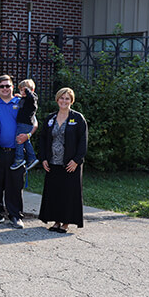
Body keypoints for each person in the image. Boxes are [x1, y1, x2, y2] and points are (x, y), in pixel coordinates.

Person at [0, 74, 35, 229]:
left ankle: (15, 216)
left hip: (17, 152)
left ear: (13, 87)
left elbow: (34, 122)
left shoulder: (21, 101)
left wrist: (28, 135)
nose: (5, 89)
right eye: (2, 86)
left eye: (8, 86)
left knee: (15, 185)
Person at [37, 87, 88, 233]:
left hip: (70, 164)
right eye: (61, 98)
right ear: (57, 99)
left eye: (67, 99)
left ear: (71, 101)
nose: (64, 101)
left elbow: (83, 141)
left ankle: (66, 222)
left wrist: (77, 160)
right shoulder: (51, 118)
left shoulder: (78, 118)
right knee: (55, 192)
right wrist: (43, 158)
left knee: (68, 193)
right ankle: (56, 221)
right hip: (53, 163)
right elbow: (43, 138)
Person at [10, 78, 39, 171]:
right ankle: (32, 158)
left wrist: (27, 90)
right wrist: (21, 95)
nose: (23, 92)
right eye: (21, 90)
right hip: (23, 123)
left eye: (24, 90)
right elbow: (25, 99)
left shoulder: (32, 99)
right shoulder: (26, 99)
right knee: (26, 141)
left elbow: (31, 97)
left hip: (25, 123)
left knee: (19, 140)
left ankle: (19, 159)